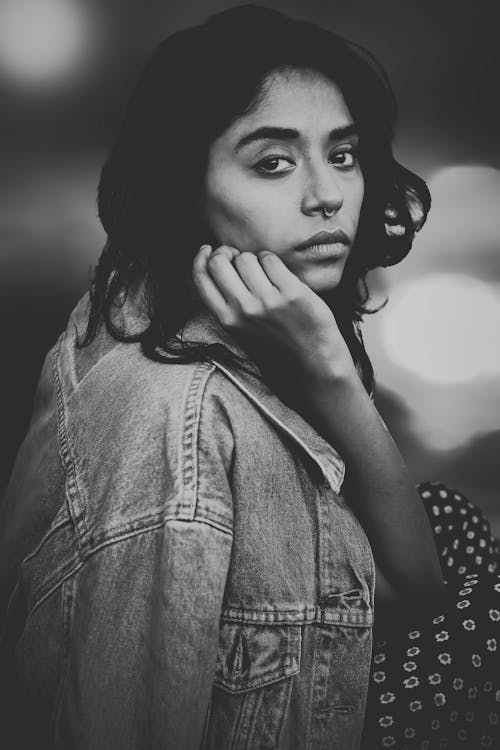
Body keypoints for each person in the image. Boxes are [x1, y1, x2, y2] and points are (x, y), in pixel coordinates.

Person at [0, 5, 498, 749]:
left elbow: (412, 588)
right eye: (272, 162)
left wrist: (329, 368)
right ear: (183, 187)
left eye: (343, 154)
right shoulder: (174, 422)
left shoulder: (260, 340)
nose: (327, 194)